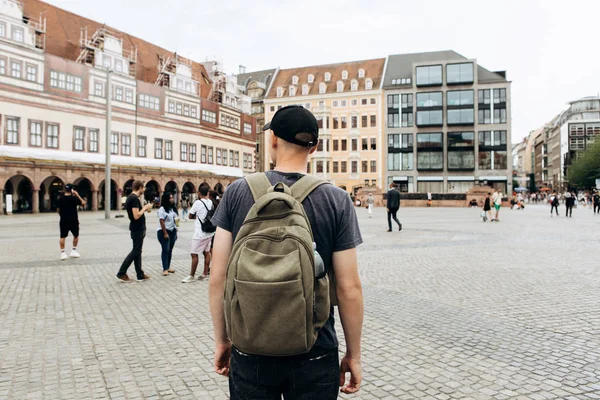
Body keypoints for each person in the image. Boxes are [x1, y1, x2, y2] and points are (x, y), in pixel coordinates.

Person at [209, 105, 364, 398]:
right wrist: (353, 355)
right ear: (314, 147)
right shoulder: (336, 199)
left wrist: (223, 340)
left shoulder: (237, 192)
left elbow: (218, 277)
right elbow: (349, 288)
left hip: (250, 347)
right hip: (315, 347)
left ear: (273, 141)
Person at [116, 180, 152, 282]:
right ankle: (121, 273)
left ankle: (140, 274)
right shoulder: (134, 198)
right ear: (140, 187)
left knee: (138, 251)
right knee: (135, 251)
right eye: (143, 187)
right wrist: (145, 207)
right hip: (137, 228)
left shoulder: (131, 198)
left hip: (137, 228)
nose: (144, 190)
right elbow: (136, 216)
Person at [183, 185, 214, 283]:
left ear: (199, 193)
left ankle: (192, 275)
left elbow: (190, 215)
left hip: (200, 233)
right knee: (206, 252)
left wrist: (197, 216)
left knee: (194, 253)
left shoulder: (197, 202)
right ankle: (205, 274)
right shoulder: (210, 202)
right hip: (210, 232)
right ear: (208, 193)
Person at [57, 183, 86, 260]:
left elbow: (58, 210)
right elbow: (83, 203)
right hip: (73, 220)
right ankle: (73, 251)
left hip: (63, 220)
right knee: (76, 235)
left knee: (62, 236)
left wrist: (62, 216)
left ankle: (62, 253)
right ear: (72, 190)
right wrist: (77, 195)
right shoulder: (74, 198)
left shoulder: (60, 198)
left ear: (65, 189)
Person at [157, 192, 178, 276]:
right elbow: (161, 221)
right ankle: (164, 269)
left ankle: (168, 267)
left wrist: (176, 228)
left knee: (170, 249)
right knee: (165, 249)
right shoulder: (162, 209)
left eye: (172, 197)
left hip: (173, 231)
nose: (172, 199)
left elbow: (176, 218)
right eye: (170, 198)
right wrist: (165, 233)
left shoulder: (172, 209)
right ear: (166, 199)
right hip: (163, 231)